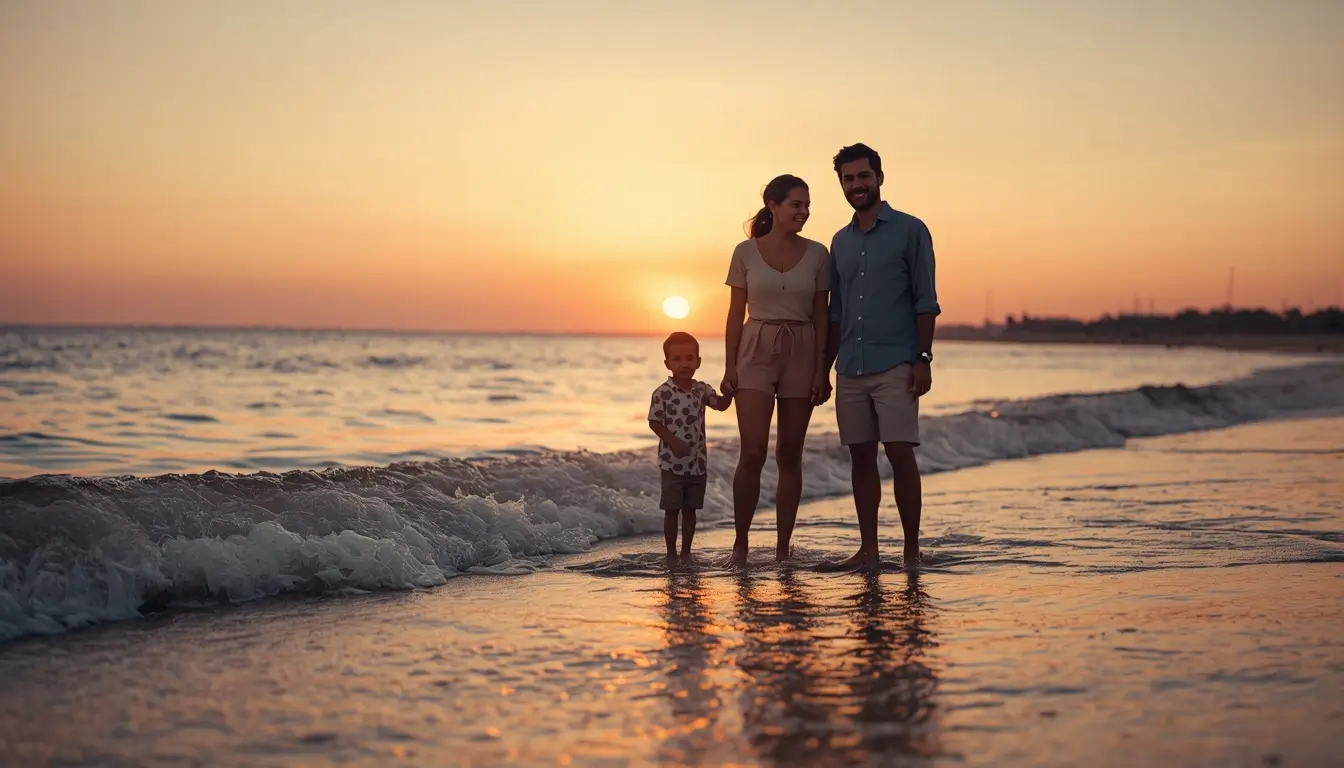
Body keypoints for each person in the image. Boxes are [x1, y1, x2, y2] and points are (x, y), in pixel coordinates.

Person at [820, 143, 940, 568]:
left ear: (879, 178)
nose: (857, 185)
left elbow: (926, 301)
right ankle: (867, 551)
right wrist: (823, 370)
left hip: (897, 363)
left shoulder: (911, 230)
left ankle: (911, 551)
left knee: (900, 453)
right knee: (860, 457)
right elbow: (835, 312)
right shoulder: (840, 241)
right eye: (848, 179)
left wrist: (923, 358)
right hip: (850, 365)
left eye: (863, 176)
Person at [721, 175, 832, 567]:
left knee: (790, 452)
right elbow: (736, 313)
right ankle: (740, 545)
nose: (803, 212)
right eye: (795, 205)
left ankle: (783, 549)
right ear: (773, 205)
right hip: (755, 351)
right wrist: (729, 366)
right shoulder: (745, 252)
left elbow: (822, 317)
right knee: (752, 452)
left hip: (802, 351)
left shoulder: (819, 254)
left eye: (806, 206)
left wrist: (822, 371)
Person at [649, 331, 733, 564]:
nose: (684, 363)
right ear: (667, 363)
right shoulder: (662, 393)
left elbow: (721, 405)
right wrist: (673, 441)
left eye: (689, 358)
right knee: (671, 510)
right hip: (671, 464)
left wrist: (731, 391)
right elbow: (654, 422)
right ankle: (670, 554)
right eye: (677, 359)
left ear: (698, 361)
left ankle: (686, 552)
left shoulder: (701, 390)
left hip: (697, 464)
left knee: (691, 511)